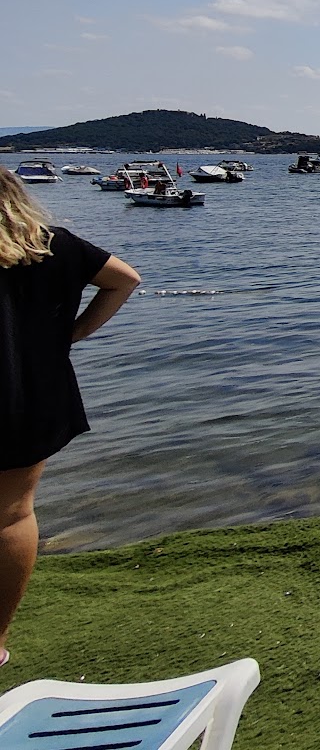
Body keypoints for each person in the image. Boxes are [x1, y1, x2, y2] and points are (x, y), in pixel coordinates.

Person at [0, 166, 140, 668]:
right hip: (31, 392)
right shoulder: (49, 242)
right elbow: (124, 280)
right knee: (12, 513)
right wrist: (71, 335)